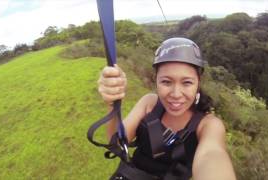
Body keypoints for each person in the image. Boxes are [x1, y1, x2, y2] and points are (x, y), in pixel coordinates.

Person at [98, 37, 236, 180]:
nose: (176, 94)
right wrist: (113, 104)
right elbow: (115, 140)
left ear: (198, 84)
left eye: (187, 83)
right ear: (156, 80)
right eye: (166, 82)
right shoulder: (149, 104)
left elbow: (212, 155)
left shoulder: (208, 125)